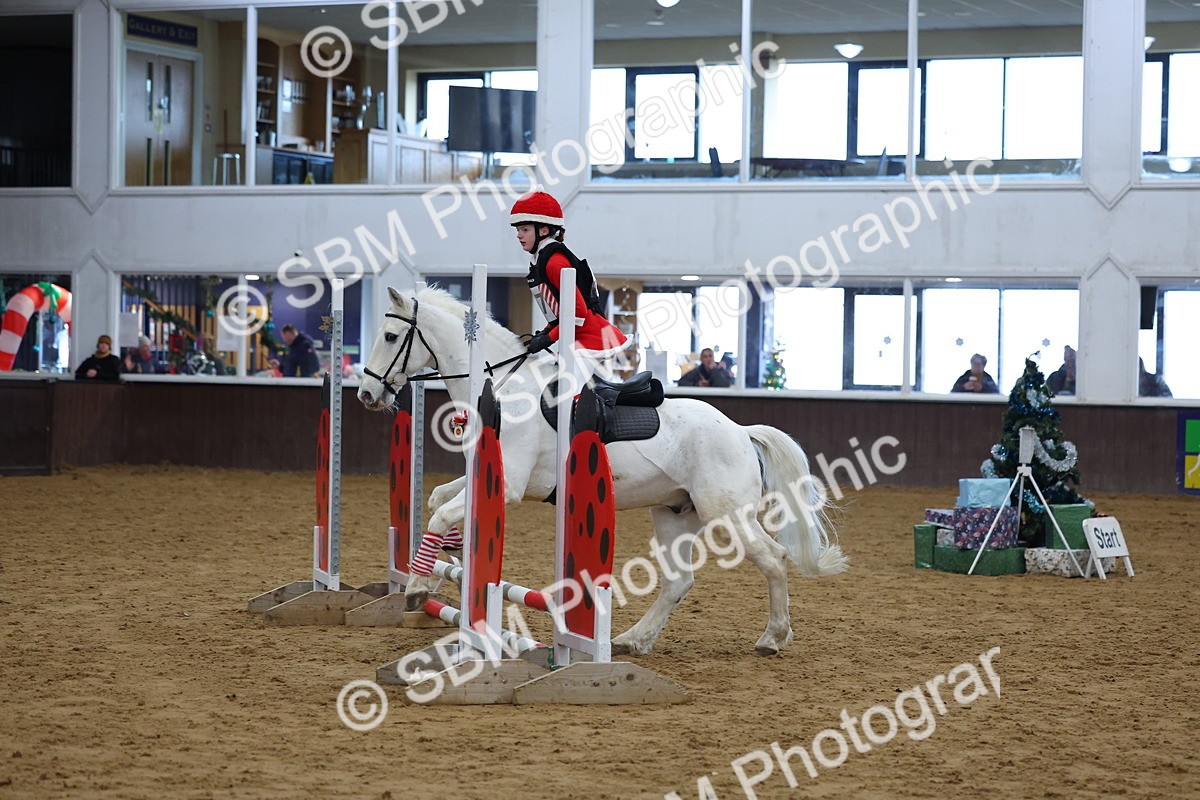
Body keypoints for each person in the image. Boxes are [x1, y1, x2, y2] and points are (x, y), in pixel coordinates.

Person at [510, 191, 628, 390]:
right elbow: (559, 313)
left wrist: (550, 337)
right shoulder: (540, 260)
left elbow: (577, 312)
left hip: (590, 337)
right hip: (577, 337)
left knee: (567, 396)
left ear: (544, 230)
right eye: (518, 230)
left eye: (525, 229)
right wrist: (545, 333)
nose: (519, 235)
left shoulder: (554, 262)